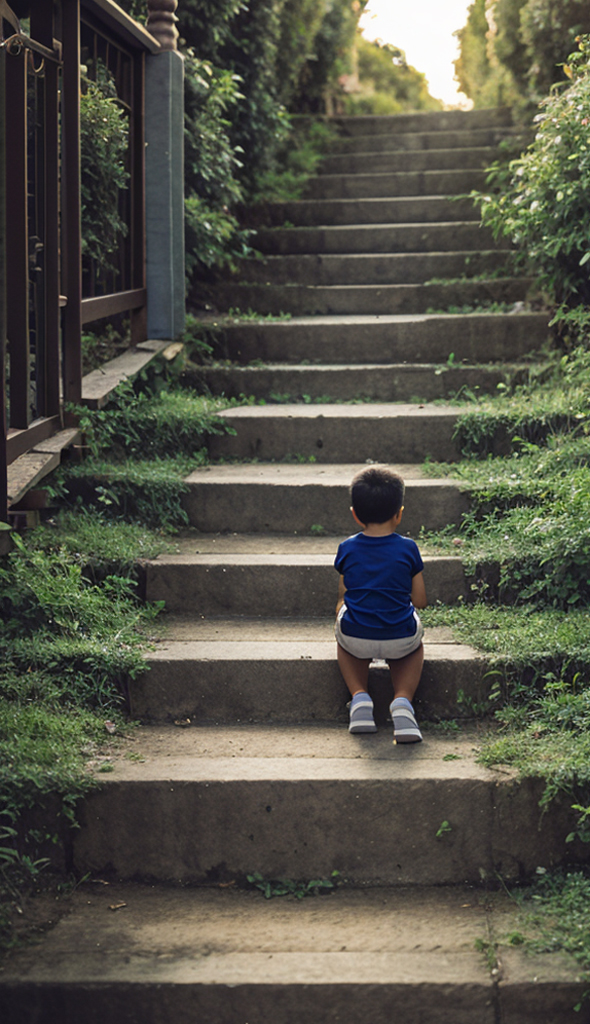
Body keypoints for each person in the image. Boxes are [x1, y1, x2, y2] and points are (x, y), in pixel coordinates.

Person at [334, 466, 427, 743]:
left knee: (345, 636)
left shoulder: (346, 548)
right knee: (414, 646)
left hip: (357, 637)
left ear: (355, 514)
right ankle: (402, 701)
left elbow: (344, 592)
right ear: (399, 513)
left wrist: (342, 605)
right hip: (400, 637)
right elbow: (420, 600)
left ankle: (360, 698)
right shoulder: (408, 548)